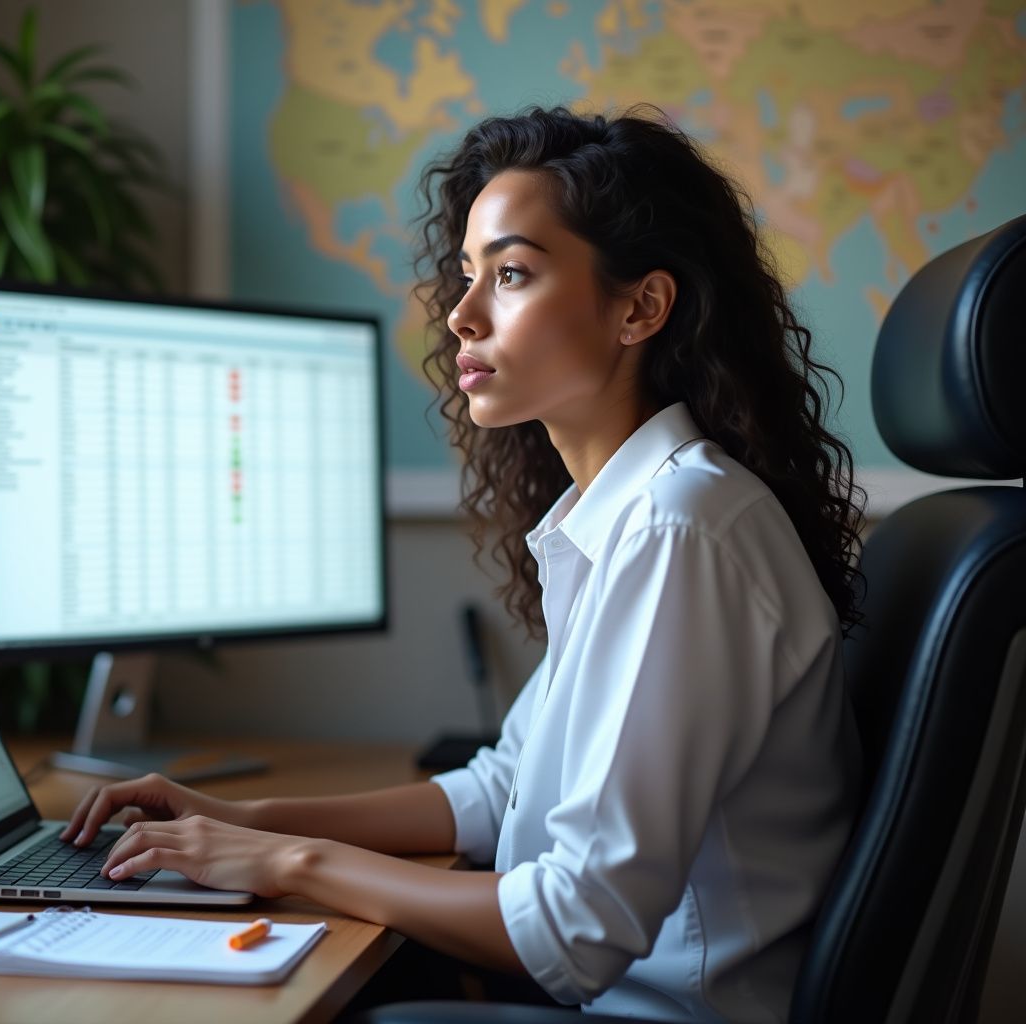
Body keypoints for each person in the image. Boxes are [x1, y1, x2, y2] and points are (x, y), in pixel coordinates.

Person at [59, 105, 866, 1023]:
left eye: (512, 274)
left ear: (640, 306)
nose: (462, 313)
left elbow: (574, 929)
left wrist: (289, 864)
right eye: (469, 273)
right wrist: (247, 820)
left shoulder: (680, 528)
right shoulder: (631, 515)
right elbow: (496, 792)